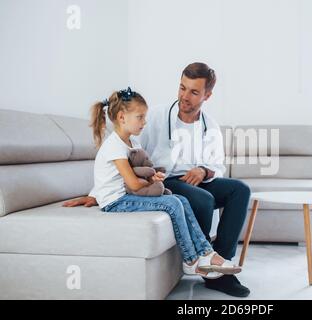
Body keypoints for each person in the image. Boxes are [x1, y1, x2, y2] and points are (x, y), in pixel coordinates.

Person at [64, 63, 251, 297]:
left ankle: (220, 268)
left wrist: (203, 170)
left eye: (194, 92)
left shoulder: (210, 126)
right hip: (167, 179)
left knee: (240, 190)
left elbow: (218, 166)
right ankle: (204, 264)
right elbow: (127, 156)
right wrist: (96, 193)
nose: (185, 96)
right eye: (182, 88)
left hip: (200, 178)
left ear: (207, 95)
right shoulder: (157, 116)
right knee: (203, 199)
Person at [85, 86, 241, 280]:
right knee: (175, 202)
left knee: (181, 200)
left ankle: (207, 253)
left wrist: (153, 178)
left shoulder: (133, 143)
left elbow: (139, 172)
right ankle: (190, 260)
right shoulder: (115, 145)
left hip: (126, 196)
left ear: (206, 95)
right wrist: (96, 194)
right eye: (140, 117)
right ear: (122, 118)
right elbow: (133, 184)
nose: (145, 122)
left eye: (144, 117)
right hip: (115, 201)